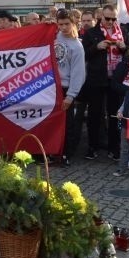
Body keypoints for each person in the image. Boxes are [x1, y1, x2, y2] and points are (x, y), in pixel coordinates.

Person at [81, 4, 126, 160]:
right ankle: (92, 146)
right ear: (101, 17)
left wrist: (123, 47)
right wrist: (96, 47)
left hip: (115, 78)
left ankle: (114, 147)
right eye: (107, 18)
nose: (110, 22)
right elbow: (84, 55)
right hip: (97, 78)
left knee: (114, 114)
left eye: (114, 19)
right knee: (95, 114)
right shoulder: (91, 33)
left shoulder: (122, 31)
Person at [54, 9, 85, 166]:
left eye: (67, 24)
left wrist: (71, 95)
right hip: (50, 87)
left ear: (73, 24)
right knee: (52, 122)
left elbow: (78, 73)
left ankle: (66, 154)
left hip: (66, 89)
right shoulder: (54, 37)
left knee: (67, 124)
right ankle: (52, 151)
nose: (63, 27)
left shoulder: (77, 46)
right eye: (60, 24)